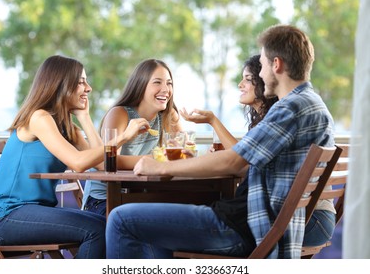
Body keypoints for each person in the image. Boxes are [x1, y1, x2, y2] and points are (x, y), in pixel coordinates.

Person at [105, 24, 336, 259]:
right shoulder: (310, 103)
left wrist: (160, 166)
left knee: (120, 218)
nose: (261, 73)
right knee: (159, 231)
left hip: (244, 228)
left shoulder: (291, 108)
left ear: (276, 64)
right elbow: (244, 160)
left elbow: (234, 161)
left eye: (263, 64)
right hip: (252, 221)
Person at [181, 55, 335, 247]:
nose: (240, 85)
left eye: (247, 79)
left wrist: (213, 122)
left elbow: (239, 159)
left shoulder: (279, 118)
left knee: (181, 229)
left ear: (263, 81)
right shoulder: (268, 119)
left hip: (307, 220)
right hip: (313, 218)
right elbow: (246, 162)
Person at [0, 55, 106, 259]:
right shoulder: (38, 117)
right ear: (61, 84)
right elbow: (78, 163)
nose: (88, 88)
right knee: (96, 230)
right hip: (8, 217)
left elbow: (102, 164)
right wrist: (121, 139)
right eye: (81, 82)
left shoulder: (67, 127)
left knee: (107, 225)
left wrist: (85, 118)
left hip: (35, 213)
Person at [82, 59, 182, 215]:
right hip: (103, 200)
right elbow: (108, 162)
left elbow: (181, 153)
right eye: (157, 82)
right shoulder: (120, 114)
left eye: (169, 83)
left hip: (140, 196)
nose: (165, 89)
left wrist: (180, 154)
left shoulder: (169, 115)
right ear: (140, 85)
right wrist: (154, 160)